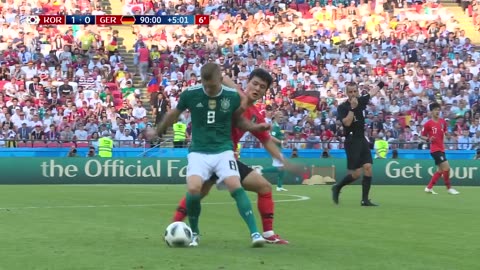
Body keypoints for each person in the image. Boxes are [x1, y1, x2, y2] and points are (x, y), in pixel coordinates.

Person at [172, 69, 293, 244]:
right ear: (247, 82)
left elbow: (266, 140)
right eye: (255, 83)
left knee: (264, 187)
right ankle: (174, 225)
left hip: (227, 157)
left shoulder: (255, 114)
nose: (257, 88)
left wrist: (282, 160)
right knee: (197, 192)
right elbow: (221, 77)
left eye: (262, 87)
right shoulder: (231, 97)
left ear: (265, 92)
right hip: (209, 150)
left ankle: (268, 234)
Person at [157, 63, 270, 247]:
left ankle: (255, 234)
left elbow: (239, 120)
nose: (209, 88)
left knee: (235, 186)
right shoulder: (190, 94)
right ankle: (194, 233)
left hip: (223, 150)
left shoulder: (231, 96)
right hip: (198, 151)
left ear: (220, 80)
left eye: (213, 85)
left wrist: (256, 127)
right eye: (205, 84)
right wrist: (159, 129)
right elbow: (173, 114)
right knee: (194, 189)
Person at [332, 82, 380, 206]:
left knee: (368, 167)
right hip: (352, 140)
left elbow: (372, 92)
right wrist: (352, 109)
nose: (353, 94)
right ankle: (337, 187)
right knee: (356, 174)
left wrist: (382, 83)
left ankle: (365, 200)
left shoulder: (361, 100)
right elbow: (347, 123)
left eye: (355, 91)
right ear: (347, 93)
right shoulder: (342, 107)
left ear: (357, 91)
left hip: (361, 138)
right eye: (350, 92)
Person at [420, 103, 460, 195]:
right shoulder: (428, 124)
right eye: (435, 110)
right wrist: (428, 139)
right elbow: (421, 136)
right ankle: (449, 188)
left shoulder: (442, 122)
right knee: (447, 168)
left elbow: (445, 131)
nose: (437, 111)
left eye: (438, 109)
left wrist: (447, 134)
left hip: (441, 149)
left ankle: (429, 187)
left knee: (440, 170)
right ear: (431, 111)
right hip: (435, 150)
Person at [261, 112, 288, 191]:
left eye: (282, 116)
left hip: (277, 149)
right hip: (275, 149)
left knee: (282, 167)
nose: (281, 118)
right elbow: (270, 137)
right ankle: (260, 170)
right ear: (275, 116)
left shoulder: (277, 126)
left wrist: (282, 139)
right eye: (280, 116)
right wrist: (281, 142)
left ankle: (279, 186)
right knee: (280, 167)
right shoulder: (274, 126)